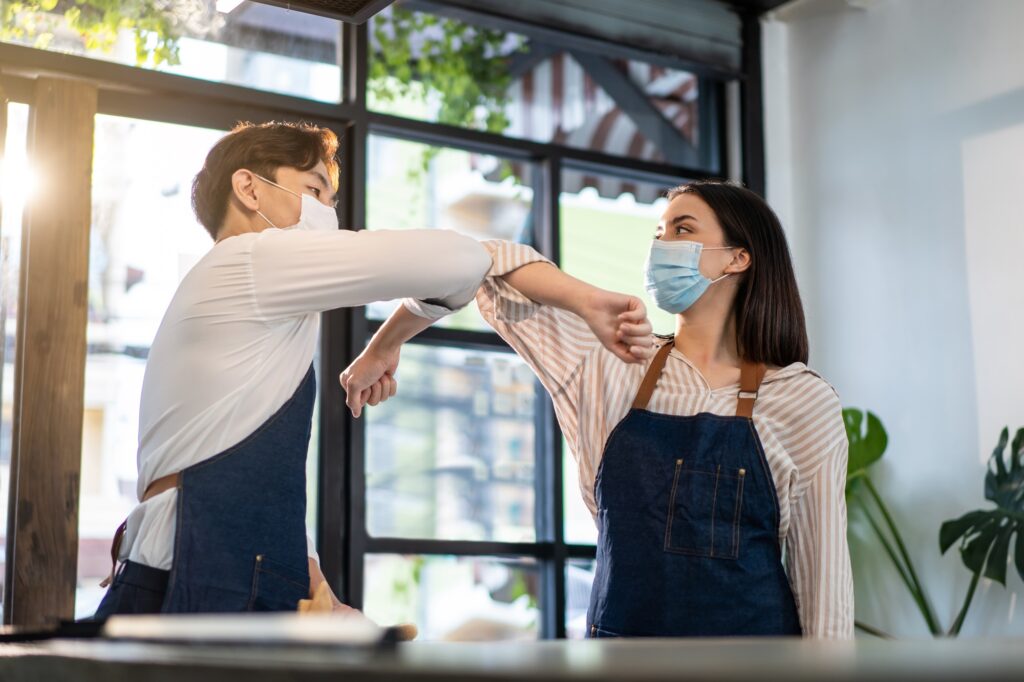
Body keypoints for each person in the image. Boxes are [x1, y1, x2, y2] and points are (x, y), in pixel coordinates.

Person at [342, 180, 854, 638]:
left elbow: (824, 590)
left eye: (681, 228)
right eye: (657, 232)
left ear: (737, 258)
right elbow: (480, 261)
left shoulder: (800, 400)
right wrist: (386, 343)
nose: (661, 245)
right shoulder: (610, 363)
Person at [93, 121, 493, 618]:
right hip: (203, 563)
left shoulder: (257, 297)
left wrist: (313, 579)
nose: (328, 212)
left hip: (218, 557)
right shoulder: (250, 260)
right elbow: (459, 260)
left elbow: (256, 466)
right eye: (314, 191)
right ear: (249, 188)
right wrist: (389, 340)